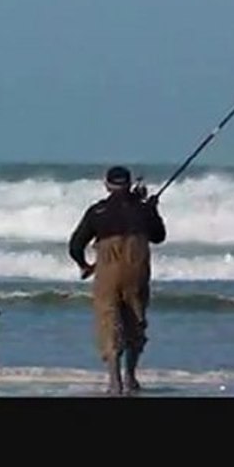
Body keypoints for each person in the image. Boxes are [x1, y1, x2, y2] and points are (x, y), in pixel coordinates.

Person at [68, 165, 166, 395]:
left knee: (108, 321)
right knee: (136, 321)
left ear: (107, 185)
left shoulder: (97, 211)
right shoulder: (142, 210)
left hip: (107, 271)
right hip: (137, 271)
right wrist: (152, 210)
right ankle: (131, 376)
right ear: (130, 184)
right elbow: (159, 237)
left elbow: (75, 245)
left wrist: (84, 266)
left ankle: (114, 381)